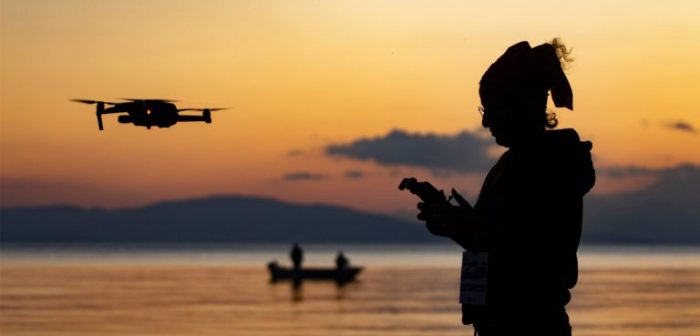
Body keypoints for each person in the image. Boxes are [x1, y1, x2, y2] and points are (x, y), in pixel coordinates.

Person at [414, 39, 595, 335]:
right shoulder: (511, 165)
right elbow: (494, 243)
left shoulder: (548, 166)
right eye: (483, 109)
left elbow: (530, 254)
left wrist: (466, 224)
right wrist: (451, 222)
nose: (486, 121)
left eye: (493, 109)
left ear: (521, 107)